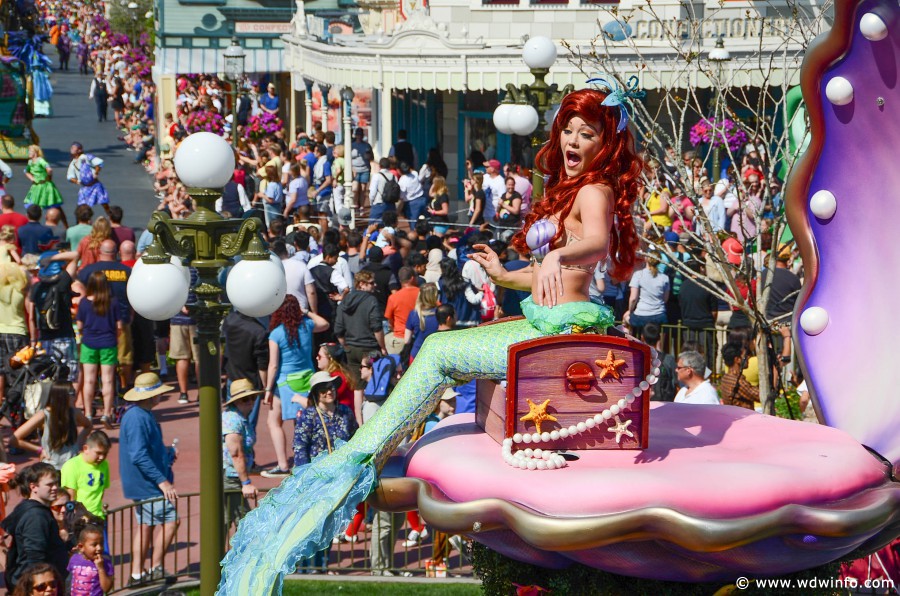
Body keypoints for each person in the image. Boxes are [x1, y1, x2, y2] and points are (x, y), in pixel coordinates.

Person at [220, 87, 643, 591]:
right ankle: (372, 448)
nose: (573, 141)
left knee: (441, 349)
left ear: (605, 143)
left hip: (564, 333)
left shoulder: (595, 190)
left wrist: (556, 257)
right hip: (546, 322)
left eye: (587, 133)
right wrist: (505, 276)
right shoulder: (570, 189)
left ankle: (364, 452)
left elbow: (597, 241)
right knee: (448, 346)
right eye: (568, 130)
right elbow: (548, 276)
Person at [292, 371, 358, 569]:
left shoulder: (345, 413)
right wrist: (304, 477)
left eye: (332, 387)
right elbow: (299, 447)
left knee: (330, 525)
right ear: (316, 393)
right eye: (324, 389)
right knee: (311, 524)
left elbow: (355, 438)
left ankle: (322, 565)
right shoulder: (309, 416)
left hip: (340, 477)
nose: (329, 391)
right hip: (316, 480)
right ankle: (307, 565)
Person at [118, 373, 179, 586]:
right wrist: (162, 481)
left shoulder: (141, 414)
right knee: (171, 520)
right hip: (148, 485)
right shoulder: (138, 417)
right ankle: (155, 569)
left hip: (143, 483)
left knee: (145, 525)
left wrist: (166, 453)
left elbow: (145, 450)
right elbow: (138, 454)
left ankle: (137, 574)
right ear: (151, 396)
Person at [261, 296, 330, 478]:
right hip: (307, 379)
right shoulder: (307, 326)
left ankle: (283, 464)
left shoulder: (276, 333)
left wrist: (268, 389)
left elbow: (273, 365)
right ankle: (305, 460)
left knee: (273, 422)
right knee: (302, 422)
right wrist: (306, 311)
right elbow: (324, 324)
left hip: (285, 382)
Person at [1, 464, 70, 587]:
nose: (55, 488)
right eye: (49, 485)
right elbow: (35, 559)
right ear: (33, 487)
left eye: (56, 483)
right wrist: (44, 587)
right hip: (38, 585)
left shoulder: (35, 508)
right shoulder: (36, 517)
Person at [76, 271, 123, 426]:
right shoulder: (113, 302)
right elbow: (119, 326)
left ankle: (88, 413)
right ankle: (107, 413)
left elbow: (80, 325)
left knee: (89, 380)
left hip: (89, 343)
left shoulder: (84, 303)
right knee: (108, 380)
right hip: (108, 342)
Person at [10, 383, 92, 470]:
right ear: (61, 396)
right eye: (72, 393)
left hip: (72, 466)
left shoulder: (74, 412)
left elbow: (88, 426)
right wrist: (39, 449)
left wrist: (78, 443)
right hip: (52, 468)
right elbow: (14, 439)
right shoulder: (44, 415)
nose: (75, 397)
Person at [222, 379, 262, 532]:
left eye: (253, 398)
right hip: (230, 477)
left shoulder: (241, 417)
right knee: (243, 524)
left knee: (232, 521)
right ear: (236, 401)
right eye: (246, 399)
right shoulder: (233, 419)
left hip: (234, 476)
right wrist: (246, 483)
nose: (251, 402)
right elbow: (236, 453)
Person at [60, 431, 111, 521]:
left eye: (105, 454)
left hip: (98, 516)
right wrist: (77, 517)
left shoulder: (104, 465)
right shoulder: (72, 466)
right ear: (86, 449)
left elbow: (101, 491)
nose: (102, 457)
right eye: (98, 453)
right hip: (80, 518)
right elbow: (70, 497)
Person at [625, 257, 669, 339]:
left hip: (641, 314)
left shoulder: (638, 275)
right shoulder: (664, 277)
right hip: (659, 314)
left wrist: (630, 311)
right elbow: (665, 299)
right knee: (658, 340)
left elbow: (633, 298)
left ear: (646, 259)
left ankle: (629, 342)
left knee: (626, 318)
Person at [23, 146, 65, 226]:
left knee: (54, 206)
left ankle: (65, 225)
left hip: (45, 186)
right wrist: (32, 178)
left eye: (30, 151)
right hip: (36, 186)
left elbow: (49, 169)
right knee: (32, 207)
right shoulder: (30, 162)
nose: (28, 153)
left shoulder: (40, 160)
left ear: (35, 152)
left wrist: (48, 177)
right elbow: (26, 171)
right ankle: (31, 225)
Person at [66, 525, 113, 595]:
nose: (99, 548)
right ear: (81, 547)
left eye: (101, 544)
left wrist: (100, 568)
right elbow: (69, 580)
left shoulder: (105, 563)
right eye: (94, 545)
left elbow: (106, 588)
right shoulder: (74, 559)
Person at [384, 267, 419, 355]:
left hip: (400, 337)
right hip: (419, 336)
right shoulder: (422, 294)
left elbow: (390, 319)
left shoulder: (393, 298)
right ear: (412, 278)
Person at [67, 144, 110, 215]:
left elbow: (99, 163)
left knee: (104, 203)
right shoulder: (73, 163)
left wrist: (96, 172)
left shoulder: (86, 157)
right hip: (85, 187)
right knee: (81, 207)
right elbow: (70, 176)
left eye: (73, 147)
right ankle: (81, 221)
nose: (71, 148)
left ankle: (111, 218)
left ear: (79, 150)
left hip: (95, 185)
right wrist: (76, 181)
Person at [404, 282, 440, 363]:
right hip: (435, 356)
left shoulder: (413, 314)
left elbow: (407, 340)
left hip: (417, 355)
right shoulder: (440, 313)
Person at [717, 342, 759, 410]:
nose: (748, 357)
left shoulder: (726, 377)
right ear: (737, 360)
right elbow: (762, 396)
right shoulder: (738, 382)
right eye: (745, 356)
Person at [315, 343, 354, 410]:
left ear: (330, 359)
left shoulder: (338, 377)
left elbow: (321, 399)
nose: (317, 358)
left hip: (343, 416)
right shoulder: (334, 374)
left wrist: (299, 399)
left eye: (319, 356)